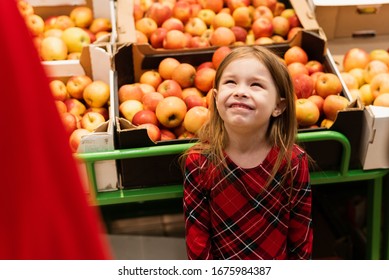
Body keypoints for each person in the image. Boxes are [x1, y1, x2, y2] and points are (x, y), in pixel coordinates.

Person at [182, 45, 313, 260]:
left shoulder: (293, 162)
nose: (240, 91)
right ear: (215, 97)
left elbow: (301, 238)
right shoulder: (199, 162)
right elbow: (198, 242)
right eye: (230, 82)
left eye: (256, 85)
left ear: (278, 106)